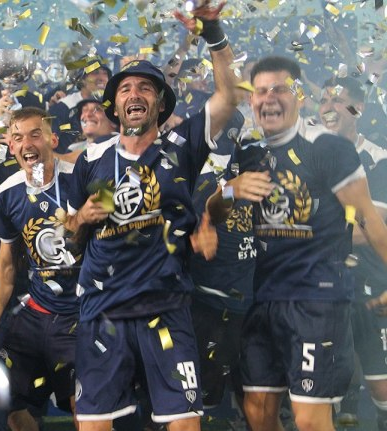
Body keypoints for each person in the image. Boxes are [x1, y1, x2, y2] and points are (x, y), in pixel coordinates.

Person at [63, 2, 240, 429]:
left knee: (184, 423)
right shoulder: (92, 161)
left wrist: (213, 33)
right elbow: (69, 240)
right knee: (93, 425)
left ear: (160, 104)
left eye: (146, 88)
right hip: (102, 313)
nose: (135, 94)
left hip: (167, 308)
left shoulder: (181, 145)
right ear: (115, 106)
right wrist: (82, 219)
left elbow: (228, 98)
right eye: (126, 89)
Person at [206, 56, 387, 431]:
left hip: (318, 301)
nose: (269, 98)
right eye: (261, 91)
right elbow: (218, 208)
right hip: (265, 299)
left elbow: (369, 219)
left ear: (300, 96)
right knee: (258, 412)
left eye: (280, 89)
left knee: (309, 420)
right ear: (251, 100)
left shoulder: (328, 148)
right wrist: (228, 192)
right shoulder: (249, 150)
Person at [0, 107, 80, 430]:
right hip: (36, 311)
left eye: (35, 134)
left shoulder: (81, 180)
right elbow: (6, 265)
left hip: (82, 313)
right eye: (18, 137)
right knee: (8, 404)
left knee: (85, 407)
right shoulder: (7, 193)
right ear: (10, 146)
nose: (27, 143)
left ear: (53, 140)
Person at [316, 76, 387, 430]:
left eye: (336, 100)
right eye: (324, 100)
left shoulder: (378, 159)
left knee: (381, 387)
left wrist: (312, 233)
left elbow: (372, 228)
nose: (328, 107)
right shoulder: (306, 154)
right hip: (321, 284)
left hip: (370, 282)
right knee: (330, 383)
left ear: (357, 109)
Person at [48, 64, 111, 153]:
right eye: (95, 73)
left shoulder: (111, 107)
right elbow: (47, 145)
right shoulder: (64, 107)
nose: (101, 78)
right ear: (82, 79)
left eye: (105, 73)